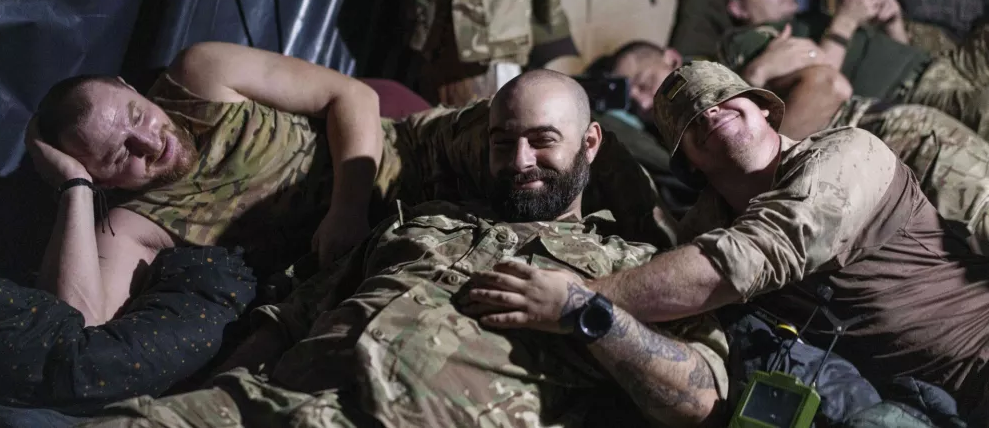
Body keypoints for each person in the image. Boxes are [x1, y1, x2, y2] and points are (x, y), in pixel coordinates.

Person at [77, 70, 728, 428]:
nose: (520, 161)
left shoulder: (630, 267)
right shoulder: (428, 220)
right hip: (265, 405)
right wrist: (218, 394)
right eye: (503, 142)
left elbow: (700, 397)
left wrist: (585, 311)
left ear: (589, 144)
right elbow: (291, 317)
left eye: (543, 140)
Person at [586, 60, 989, 421]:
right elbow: (669, 263)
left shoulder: (849, 154)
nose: (709, 112)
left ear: (763, 107)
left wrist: (580, 300)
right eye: (692, 121)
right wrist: (610, 161)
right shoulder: (709, 225)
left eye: (722, 99)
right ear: (689, 161)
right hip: (913, 406)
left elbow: (750, 255)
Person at [25, 41, 388, 326]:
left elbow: (353, 95)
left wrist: (349, 208)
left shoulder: (201, 75)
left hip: (399, 165)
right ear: (102, 182)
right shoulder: (134, 224)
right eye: (120, 155)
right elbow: (76, 326)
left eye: (137, 115)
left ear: (129, 87)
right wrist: (74, 186)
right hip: (373, 261)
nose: (150, 143)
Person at [595, 42, 989, 248]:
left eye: (645, 83)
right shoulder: (673, 144)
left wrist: (750, 85)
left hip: (900, 141)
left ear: (670, 56)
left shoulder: (735, 60)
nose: (643, 101)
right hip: (867, 202)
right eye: (632, 101)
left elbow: (828, 84)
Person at [719, 0, 989, 141]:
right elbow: (819, 86)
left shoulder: (810, 20)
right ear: (738, 8)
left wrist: (892, 24)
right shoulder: (749, 41)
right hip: (912, 99)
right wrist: (846, 20)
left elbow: (903, 59)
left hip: (937, 69)